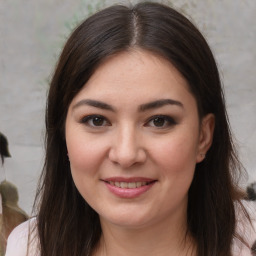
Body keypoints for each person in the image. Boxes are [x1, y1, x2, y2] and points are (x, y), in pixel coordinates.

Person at [5, 2, 256, 256]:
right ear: (63, 134)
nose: (126, 155)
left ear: (203, 137)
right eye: (97, 120)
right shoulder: (29, 247)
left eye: (159, 121)